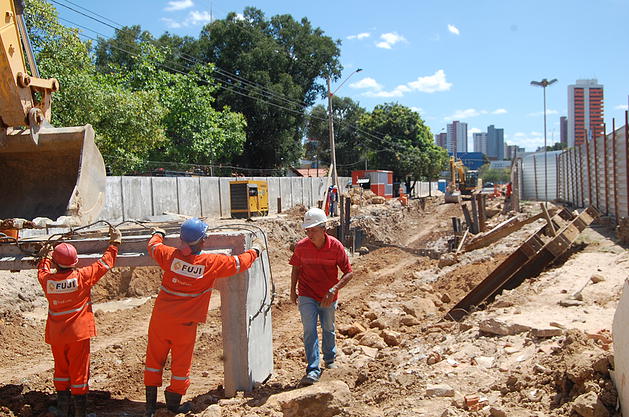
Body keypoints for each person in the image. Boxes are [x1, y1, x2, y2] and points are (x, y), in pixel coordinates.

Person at [143, 218, 266, 416]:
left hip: (160, 320)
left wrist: (158, 233)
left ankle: (149, 408)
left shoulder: (169, 255)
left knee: (154, 360)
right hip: (184, 325)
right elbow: (239, 263)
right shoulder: (210, 263)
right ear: (201, 241)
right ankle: (173, 406)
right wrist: (257, 250)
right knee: (180, 367)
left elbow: (153, 246)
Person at [37, 227, 122, 417]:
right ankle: (79, 413)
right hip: (78, 334)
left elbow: (42, 270)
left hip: (57, 335)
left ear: (55, 264)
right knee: (79, 372)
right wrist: (114, 243)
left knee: (61, 369)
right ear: (74, 262)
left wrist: (45, 256)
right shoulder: (82, 277)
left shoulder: (47, 280)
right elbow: (105, 263)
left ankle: (62, 409)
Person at [289, 208, 353, 386]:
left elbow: (349, 273)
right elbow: (296, 268)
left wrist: (334, 289)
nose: (309, 234)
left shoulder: (336, 247)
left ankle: (330, 359)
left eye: (313, 230)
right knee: (309, 330)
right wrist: (292, 290)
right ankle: (313, 369)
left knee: (328, 327)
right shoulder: (301, 247)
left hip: (327, 296)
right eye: (307, 230)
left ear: (323, 228)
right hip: (307, 294)